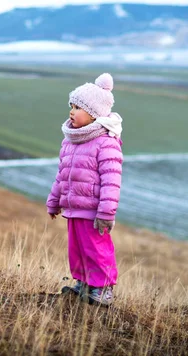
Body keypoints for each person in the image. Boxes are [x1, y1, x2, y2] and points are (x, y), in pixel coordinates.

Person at [46, 73, 123, 306]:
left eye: (78, 107)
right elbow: (62, 174)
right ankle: (83, 282)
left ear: (94, 114)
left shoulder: (105, 142)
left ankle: (103, 288)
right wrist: (54, 200)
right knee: (77, 249)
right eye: (71, 105)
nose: (72, 111)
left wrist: (106, 212)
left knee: (96, 249)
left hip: (92, 210)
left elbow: (112, 181)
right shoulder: (70, 139)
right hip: (73, 206)